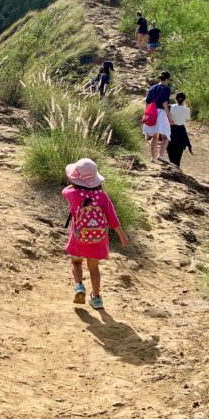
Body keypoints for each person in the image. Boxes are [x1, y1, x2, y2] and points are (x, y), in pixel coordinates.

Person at [62, 158, 129, 310]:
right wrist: (122, 237)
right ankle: (97, 298)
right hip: (98, 239)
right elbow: (113, 218)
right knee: (94, 268)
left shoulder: (72, 193)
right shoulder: (103, 196)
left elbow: (65, 190)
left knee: (76, 262)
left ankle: (79, 286)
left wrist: (76, 183)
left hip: (79, 237)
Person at [143, 71, 172, 164]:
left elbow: (147, 102)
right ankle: (161, 155)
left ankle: (153, 157)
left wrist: (146, 114)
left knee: (155, 136)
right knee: (165, 135)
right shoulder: (166, 89)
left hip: (152, 111)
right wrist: (169, 116)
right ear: (167, 79)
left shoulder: (152, 88)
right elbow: (164, 103)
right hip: (161, 113)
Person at [166, 92, 193, 168]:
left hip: (171, 129)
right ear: (185, 99)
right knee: (179, 150)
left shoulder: (170, 107)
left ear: (175, 99)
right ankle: (177, 166)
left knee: (170, 148)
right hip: (181, 131)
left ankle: (171, 164)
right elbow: (187, 119)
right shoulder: (187, 109)